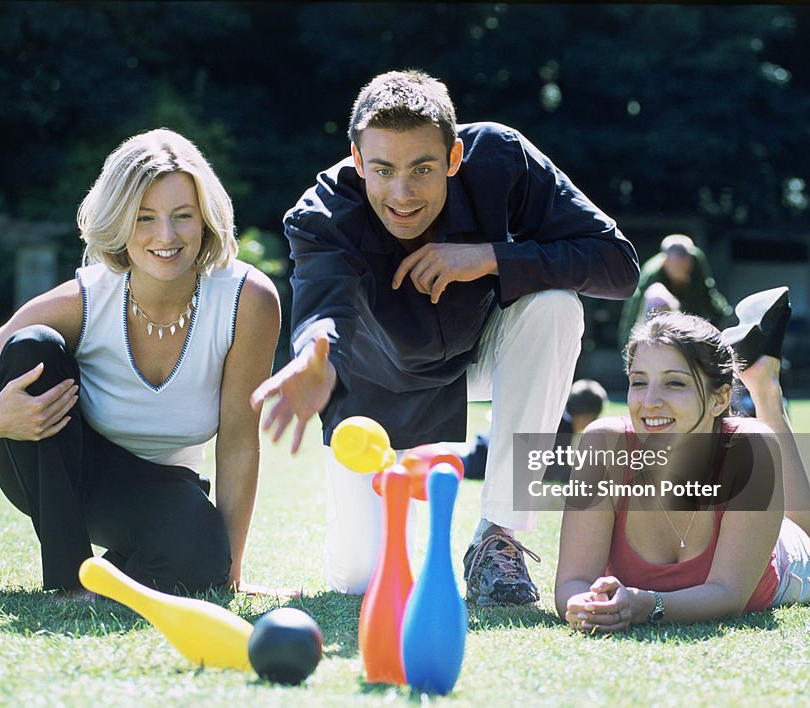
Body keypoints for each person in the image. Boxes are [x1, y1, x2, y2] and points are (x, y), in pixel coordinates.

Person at [250, 70, 639, 606]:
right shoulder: (322, 215)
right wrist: (317, 358)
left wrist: (489, 258)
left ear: (455, 158)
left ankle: (498, 535)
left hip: (477, 354)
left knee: (554, 307)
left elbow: (618, 266)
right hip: (375, 385)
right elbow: (323, 304)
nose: (402, 194)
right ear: (359, 162)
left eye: (423, 169)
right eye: (382, 170)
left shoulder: (501, 159)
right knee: (362, 581)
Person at [0, 129, 281, 598]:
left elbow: (240, 441)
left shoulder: (248, 300)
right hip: (56, 468)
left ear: (206, 221)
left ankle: (117, 574)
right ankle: (69, 580)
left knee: (201, 561)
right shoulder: (86, 297)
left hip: (160, 487)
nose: (166, 236)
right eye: (144, 218)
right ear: (118, 221)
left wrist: (230, 572)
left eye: (183, 216)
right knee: (30, 346)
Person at [555, 311, 810, 631]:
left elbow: (730, 594)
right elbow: (573, 581)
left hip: (786, 562)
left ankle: (766, 390)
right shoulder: (603, 444)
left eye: (674, 383)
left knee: (799, 533)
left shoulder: (752, 446)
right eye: (639, 382)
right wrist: (581, 603)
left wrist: (646, 604)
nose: (650, 401)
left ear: (720, 399)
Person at [461, 378, 609, 482]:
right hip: (483, 462)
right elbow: (557, 472)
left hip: (485, 451)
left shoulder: (556, 416)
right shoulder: (560, 427)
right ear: (588, 417)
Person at [617, 234, 732, 348]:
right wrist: (628, 345)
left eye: (686, 266)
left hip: (690, 310)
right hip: (661, 317)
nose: (683, 273)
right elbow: (633, 312)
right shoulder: (651, 275)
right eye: (677, 267)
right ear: (665, 262)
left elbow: (708, 295)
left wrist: (725, 319)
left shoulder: (697, 261)